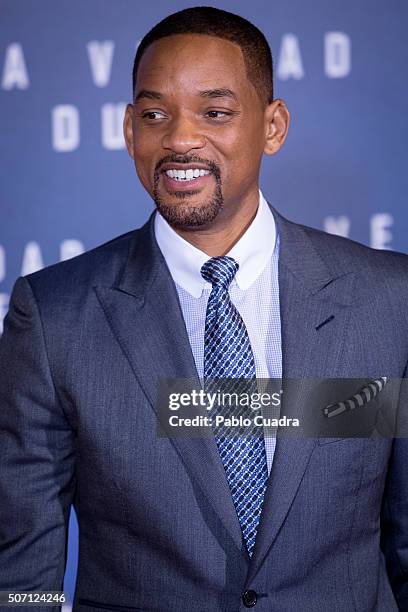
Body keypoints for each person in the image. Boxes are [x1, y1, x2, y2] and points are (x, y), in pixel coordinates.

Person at [0, 6, 407, 612]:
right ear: (129, 129)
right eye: (155, 114)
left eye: (215, 113)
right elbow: (22, 564)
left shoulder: (389, 299)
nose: (180, 138)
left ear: (273, 126)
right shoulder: (55, 315)